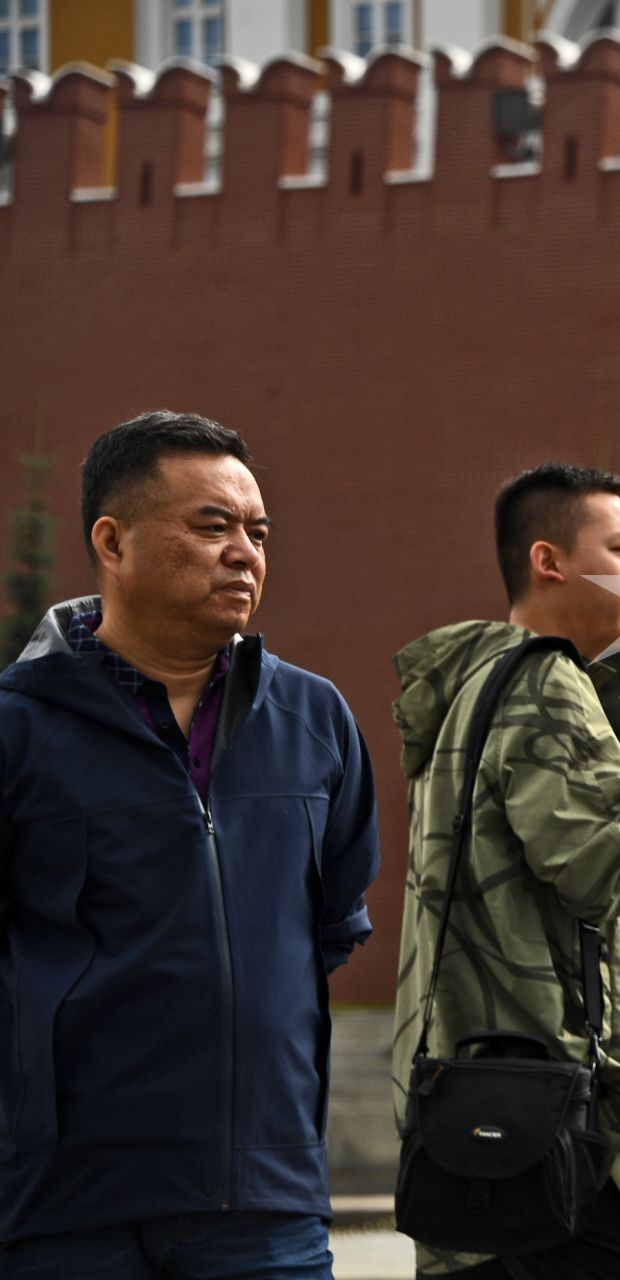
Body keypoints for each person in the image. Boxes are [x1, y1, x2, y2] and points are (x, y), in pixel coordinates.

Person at [0, 411, 381, 1277]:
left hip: (266, 1208)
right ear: (114, 540)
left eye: (257, 531)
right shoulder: (18, 729)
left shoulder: (315, 719)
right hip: (68, 1212)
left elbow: (326, 926)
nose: (244, 551)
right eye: (211, 526)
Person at [390, 463, 620, 1280]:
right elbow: (602, 869)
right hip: (561, 1134)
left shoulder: (476, 687)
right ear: (549, 561)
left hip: (473, 1116)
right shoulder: (549, 685)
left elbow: (539, 883)